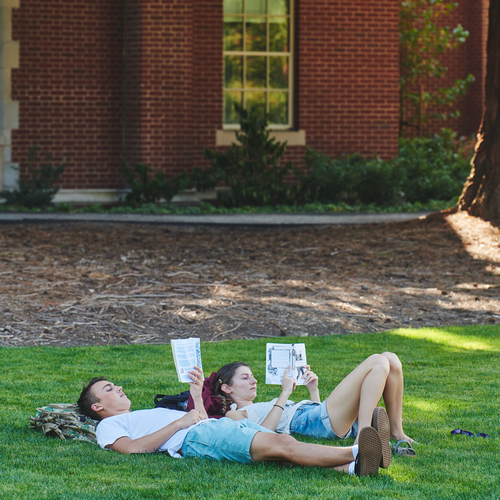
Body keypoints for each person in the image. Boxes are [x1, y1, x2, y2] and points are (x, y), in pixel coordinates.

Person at [77, 366, 387, 477]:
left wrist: (196, 395)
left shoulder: (139, 415)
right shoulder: (108, 427)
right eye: (109, 389)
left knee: (276, 450)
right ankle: (359, 453)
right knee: (280, 443)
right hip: (197, 439)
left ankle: (348, 468)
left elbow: (196, 416)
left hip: (206, 428)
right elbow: (131, 450)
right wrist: (178, 424)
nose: (117, 388)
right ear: (98, 406)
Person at [214, 352, 416, 469]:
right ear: (227, 388)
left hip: (315, 415)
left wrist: (314, 391)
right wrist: (284, 395)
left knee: (391, 359)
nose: (254, 380)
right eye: (245, 377)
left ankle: (396, 432)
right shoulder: (233, 414)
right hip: (312, 420)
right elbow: (263, 435)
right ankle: (363, 435)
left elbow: (315, 422)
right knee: (377, 362)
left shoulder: (259, 405)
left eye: (252, 376)